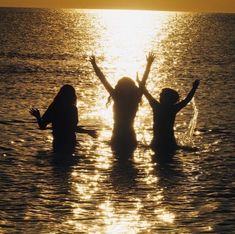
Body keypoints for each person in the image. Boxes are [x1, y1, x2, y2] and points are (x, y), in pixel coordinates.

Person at [89, 53, 155, 151]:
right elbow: (103, 79)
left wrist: (149, 65)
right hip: (121, 136)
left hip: (123, 136)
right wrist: (94, 65)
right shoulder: (128, 97)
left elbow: (144, 81)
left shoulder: (128, 97)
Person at [29, 84, 96, 155]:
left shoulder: (54, 107)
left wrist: (38, 117)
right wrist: (88, 132)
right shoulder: (72, 109)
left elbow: (42, 126)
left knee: (57, 162)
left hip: (58, 142)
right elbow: (72, 128)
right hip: (69, 142)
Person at [141, 79, 200, 153]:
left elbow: (146, 93)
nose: (160, 97)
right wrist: (194, 88)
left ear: (167, 98)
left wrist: (141, 83)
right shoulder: (173, 108)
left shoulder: (157, 106)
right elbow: (187, 100)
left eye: (161, 95)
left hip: (157, 143)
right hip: (170, 143)